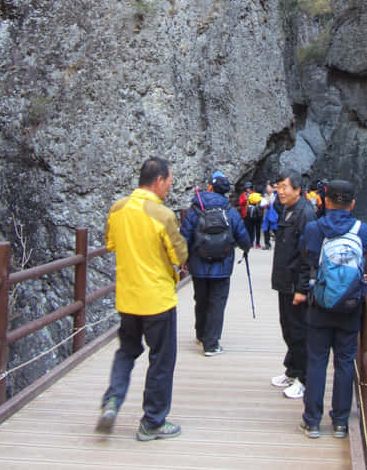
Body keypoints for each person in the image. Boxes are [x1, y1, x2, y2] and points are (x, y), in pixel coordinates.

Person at [95, 156, 188, 441]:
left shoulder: (118, 209)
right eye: (169, 182)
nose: (169, 188)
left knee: (127, 351)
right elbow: (179, 255)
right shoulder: (163, 215)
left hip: (127, 298)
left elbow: (110, 243)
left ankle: (112, 400)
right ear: (158, 181)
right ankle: (153, 421)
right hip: (157, 299)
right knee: (161, 359)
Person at [295, 179, 367, 439]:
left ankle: (312, 421)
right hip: (350, 307)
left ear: (326, 201)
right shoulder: (361, 230)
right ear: (352, 204)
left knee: (317, 361)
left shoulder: (313, 228)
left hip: (319, 305)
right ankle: (341, 422)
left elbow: (305, 257)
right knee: (344, 363)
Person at [180, 170, 250, 355]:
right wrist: (246, 247)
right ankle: (211, 344)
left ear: (210, 187)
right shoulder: (230, 210)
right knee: (217, 303)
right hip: (222, 264)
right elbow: (243, 236)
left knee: (201, 300)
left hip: (199, 263)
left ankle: (201, 335)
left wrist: (182, 259)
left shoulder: (196, 208)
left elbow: (184, 236)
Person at [270, 169, 316, 399]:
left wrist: (302, 288)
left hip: (294, 285)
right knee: (288, 327)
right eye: (278, 186)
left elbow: (307, 256)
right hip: (284, 282)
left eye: (285, 187)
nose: (280, 191)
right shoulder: (288, 210)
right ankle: (292, 369)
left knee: (298, 331)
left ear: (298, 189)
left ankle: (304, 378)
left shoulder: (305, 214)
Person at [261, 182, 278, 249]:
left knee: (275, 230)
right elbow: (262, 205)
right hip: (266, 215)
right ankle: (267, 244)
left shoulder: (275, 196)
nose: (267, 189)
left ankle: (280, 243)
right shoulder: (265, 196)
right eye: (266, 188)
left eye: (268, 187)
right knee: (266, 230)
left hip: (273, 215)